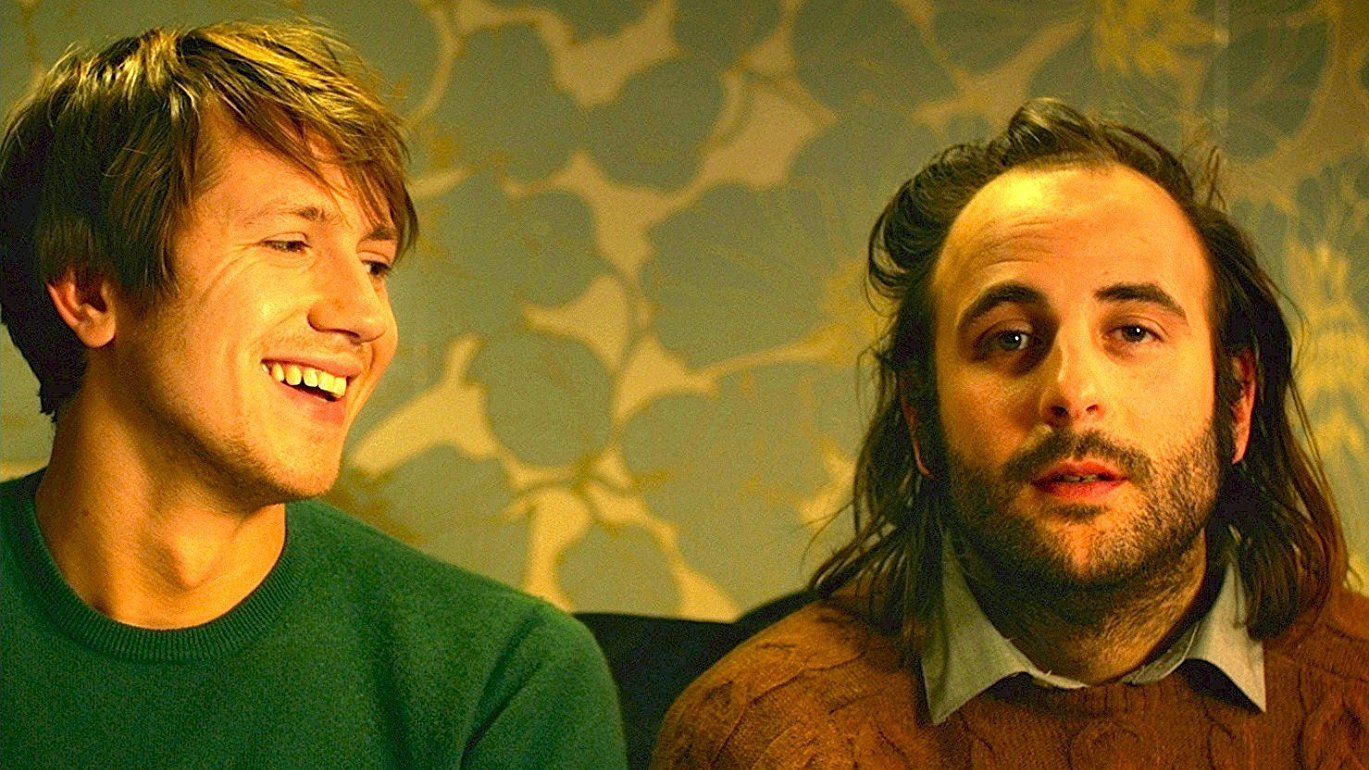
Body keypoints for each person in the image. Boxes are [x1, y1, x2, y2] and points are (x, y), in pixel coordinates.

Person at [652, 98, 1369, 767]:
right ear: (921, 417)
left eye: (1133, 331)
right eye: (1008, 339)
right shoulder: (762, 738)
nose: (1072, 393)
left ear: (1237, 402)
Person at [0, 21, 626, 768]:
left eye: (374, 264)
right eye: (289, 244)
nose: (366, 317)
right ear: (92, 290)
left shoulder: (505, 680)